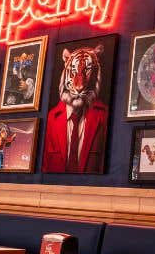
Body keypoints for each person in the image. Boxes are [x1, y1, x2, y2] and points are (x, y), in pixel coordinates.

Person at [44, 45, 109, 173]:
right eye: (73, 70)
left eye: (88, 70)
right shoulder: (52, 116)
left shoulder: (104, 115)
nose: (79, 85)